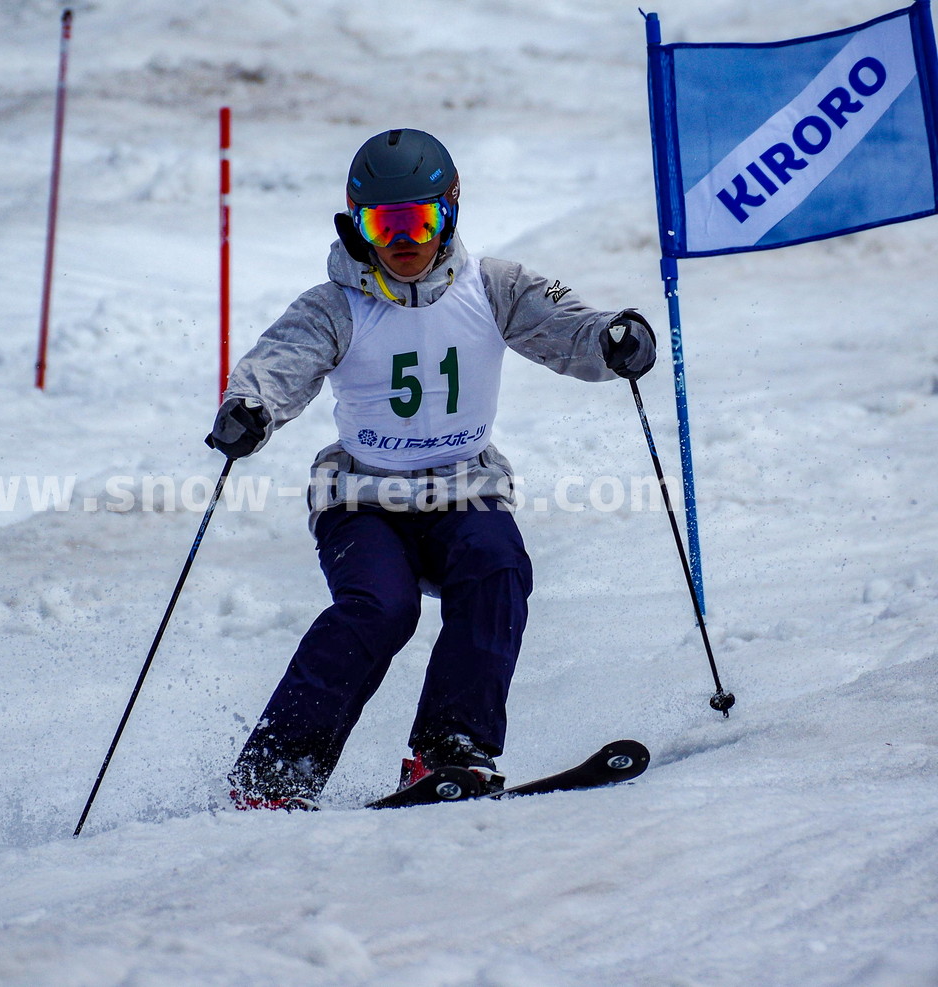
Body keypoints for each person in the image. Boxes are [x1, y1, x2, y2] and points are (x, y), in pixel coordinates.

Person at [206, 128, 655, 809]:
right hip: (361, 497)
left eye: (419, 220)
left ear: (448, 212)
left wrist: (612, 340)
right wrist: (249, 408)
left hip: (464, 485)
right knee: (380, 608)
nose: (403, 240)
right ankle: (276, 773)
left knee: (497, 568)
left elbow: (568, 328)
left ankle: (449, 747)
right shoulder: (336, 304)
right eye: (381, 224)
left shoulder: (492, 287)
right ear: (357, 227)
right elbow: (281, 363)